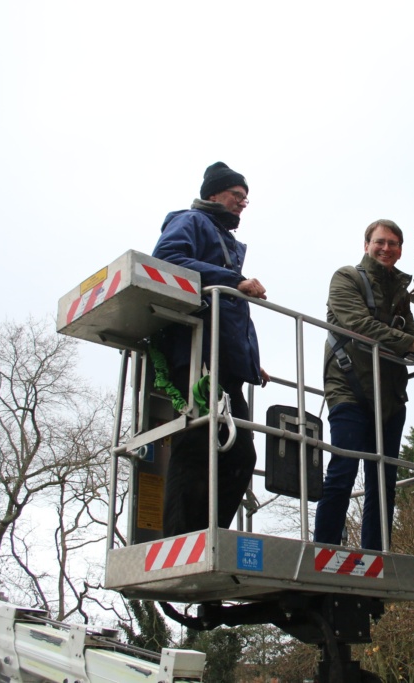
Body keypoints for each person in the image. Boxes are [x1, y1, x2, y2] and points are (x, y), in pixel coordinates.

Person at [313, 219, 414, 551]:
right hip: (348, 386)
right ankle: (323, 549)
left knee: (385, 481)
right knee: (343, 469)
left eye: (394, 243)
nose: (386, 248)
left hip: (389, 394)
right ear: (366, 244)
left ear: (400, 250)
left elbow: (407, 338)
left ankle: (376, 554)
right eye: (380, 241)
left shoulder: (398, 292)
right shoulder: (346, 278)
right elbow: (360, 325)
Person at [151, 161, 268, 537]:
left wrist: (253, 361)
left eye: (245, 199)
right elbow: (168, 259)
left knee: (240, 453)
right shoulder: (190, 221)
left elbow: (230, 312)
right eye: (236, 196)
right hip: (199, 356)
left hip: (226, 360)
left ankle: (209, 536)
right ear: (213, 193)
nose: (242, 203)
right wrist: (234, 279)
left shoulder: (223, 238)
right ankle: (180, 540)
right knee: (196, 444)